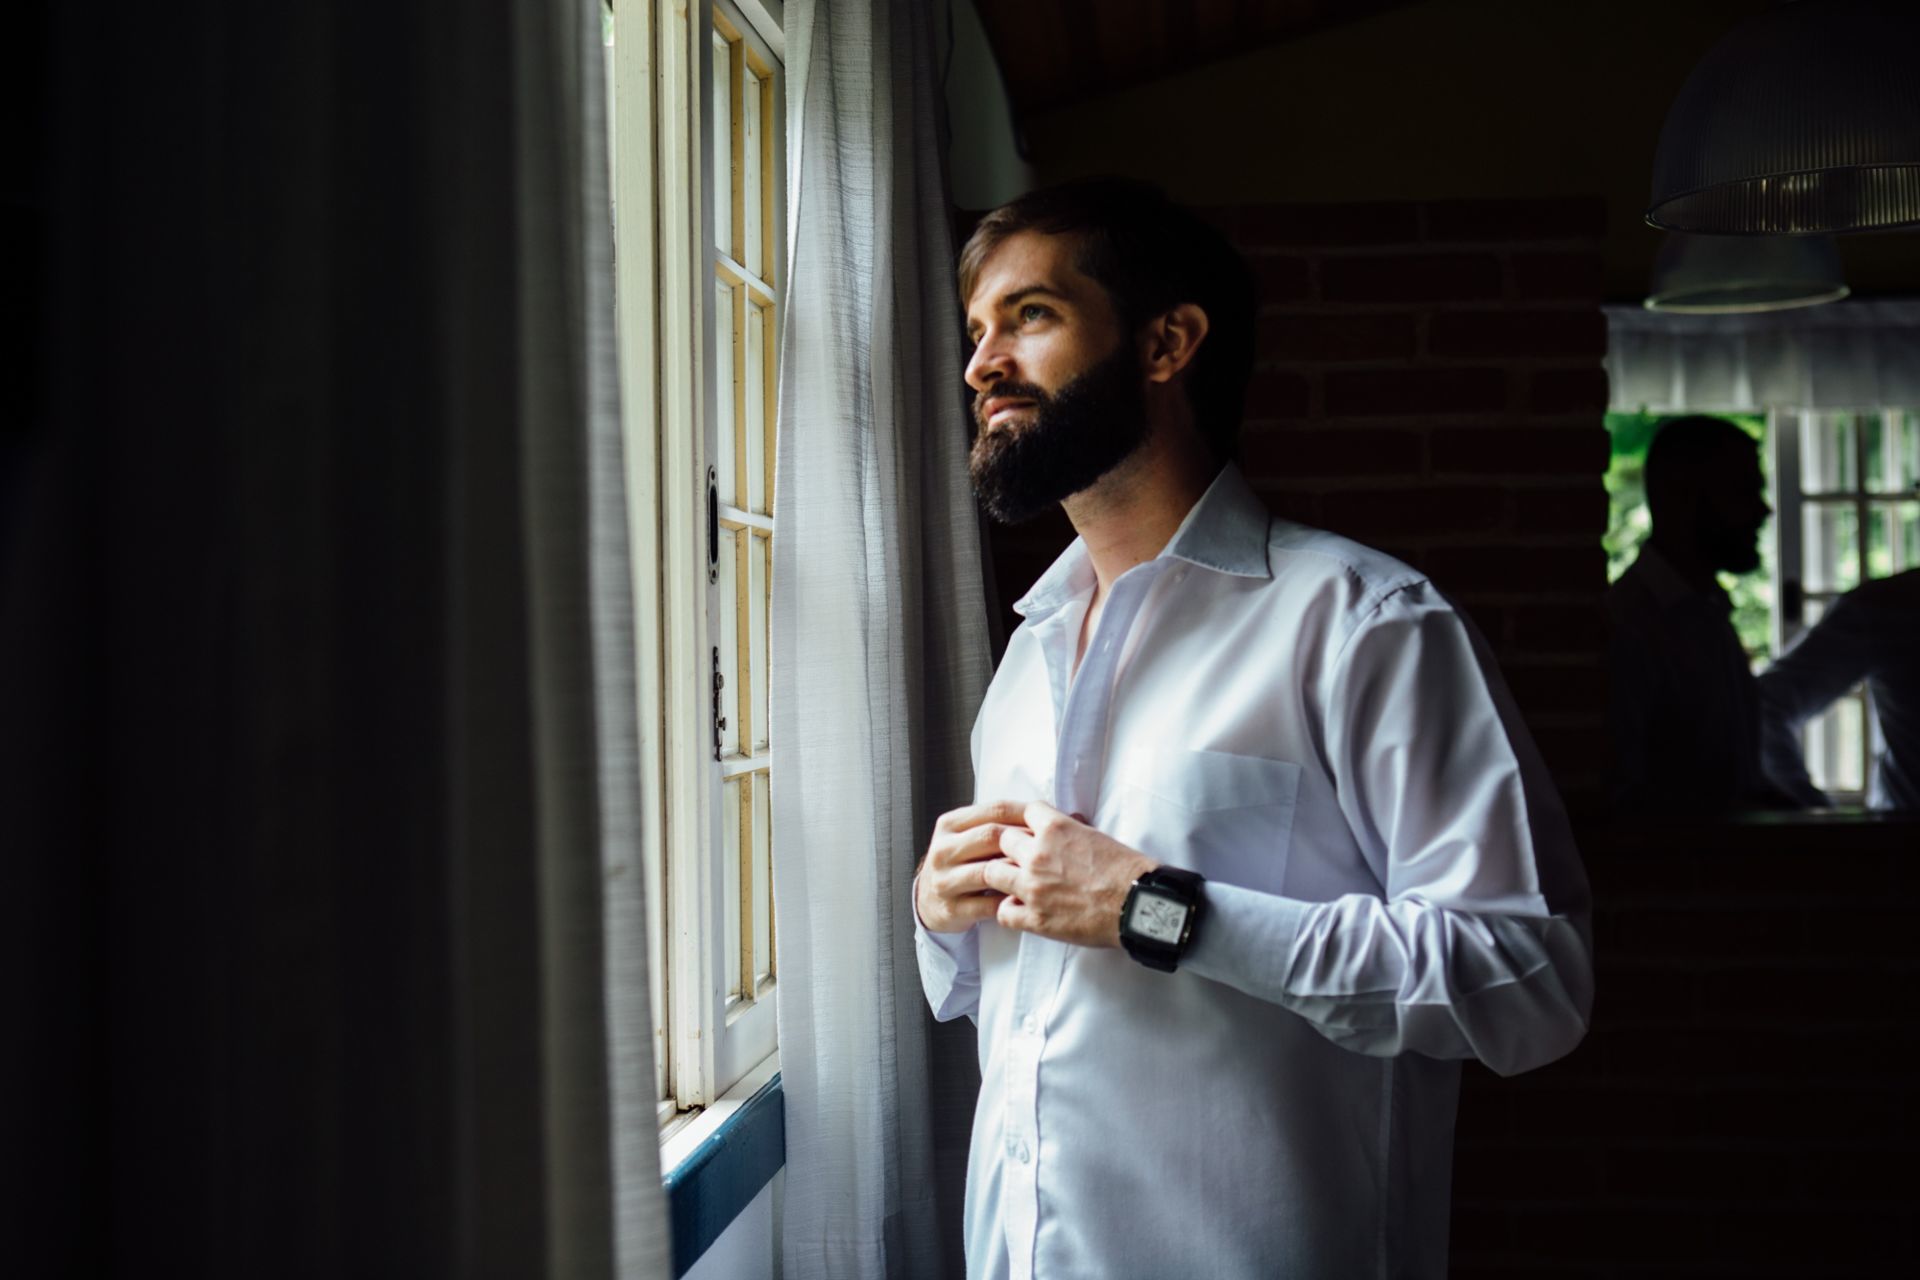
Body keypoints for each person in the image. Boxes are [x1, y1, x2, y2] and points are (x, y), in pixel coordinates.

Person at [912, 177, 1593, 1280]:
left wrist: (1158, 909)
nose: (980, 363)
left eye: (1029, 316)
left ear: (1167, 342)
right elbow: (1038, 1000)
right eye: (976, 329)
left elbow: (1527, 978)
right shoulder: (1026, 658)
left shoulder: (1364, 624)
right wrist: (943, 914)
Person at [1605, 415, 1786, 814]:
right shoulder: (1631, 627)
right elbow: (1625, 802)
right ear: (1683, 498)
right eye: (1744, 491)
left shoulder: (1709, 615)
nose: (1764, 510)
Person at [1758, 567, 1920, 810]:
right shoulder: (1892, 604)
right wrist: (1816, 816)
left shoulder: (1891, 603)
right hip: (1902, 838)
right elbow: (1766, 706)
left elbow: (1766, 705)